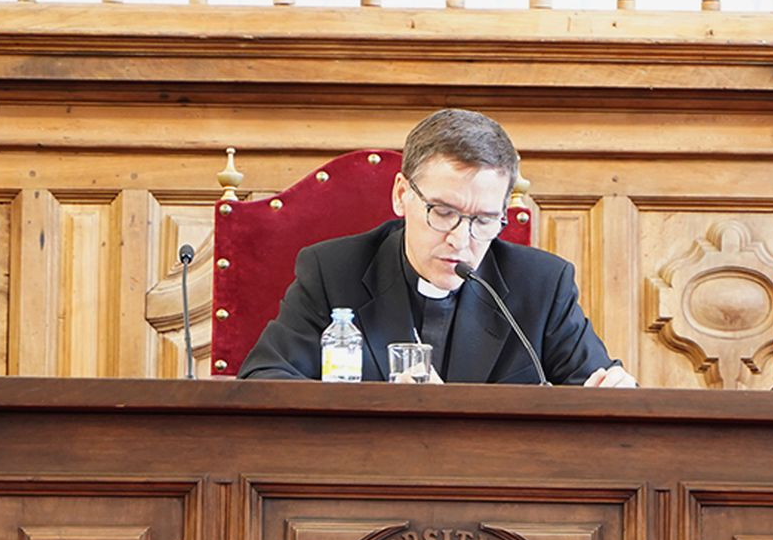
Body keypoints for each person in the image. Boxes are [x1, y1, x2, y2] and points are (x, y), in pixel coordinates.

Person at [239, 108, 636, 386]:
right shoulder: (332, 272)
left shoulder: (542, 286)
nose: (460, 241)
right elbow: (264, 382)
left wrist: (616, 395)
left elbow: (596, 390)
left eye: (483, 221)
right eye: (443, 212)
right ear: (401, 195)